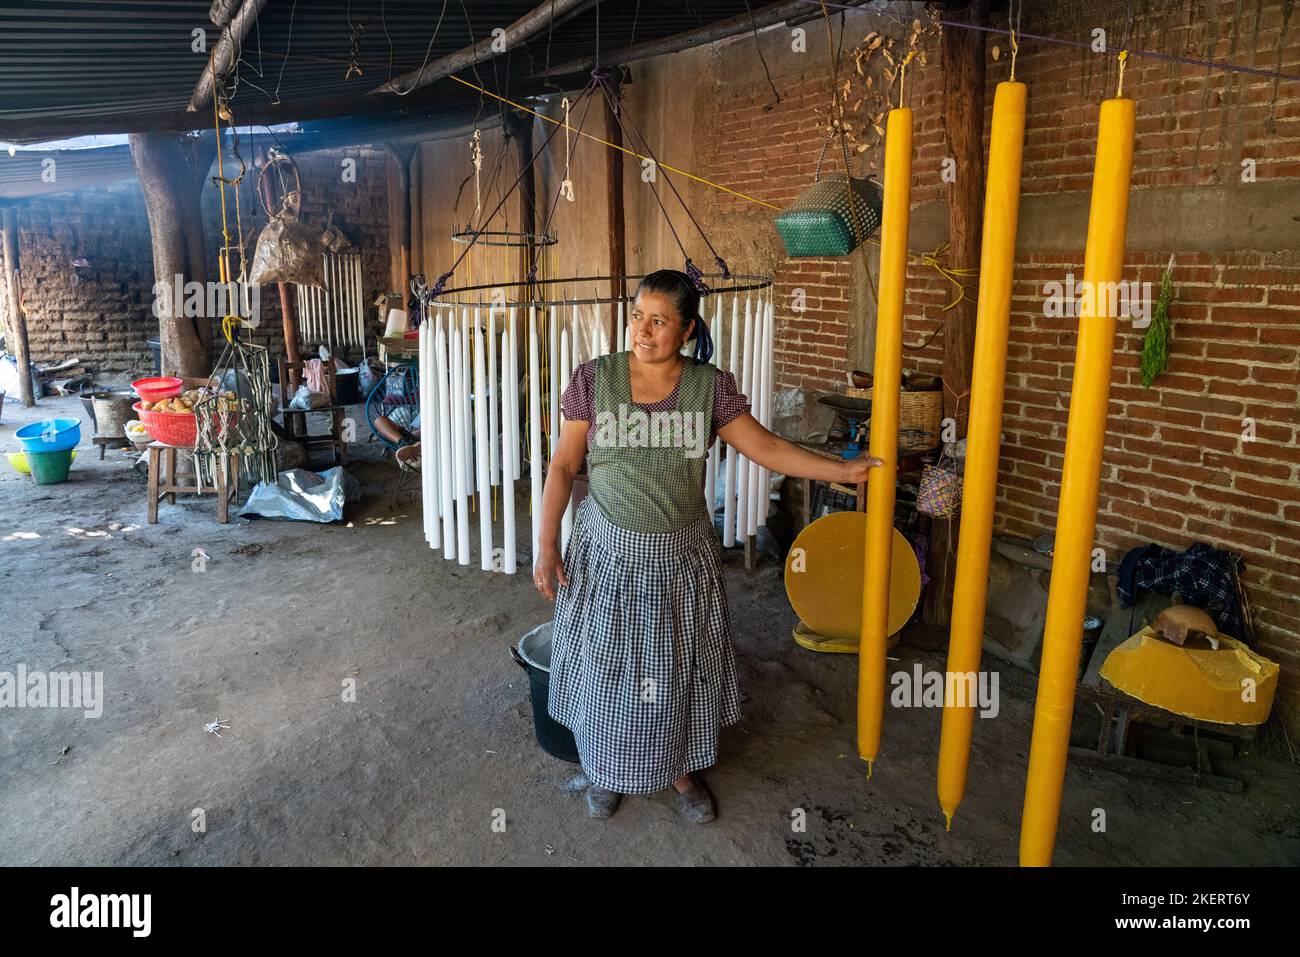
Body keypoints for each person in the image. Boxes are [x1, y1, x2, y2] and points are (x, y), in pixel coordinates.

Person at [534, 269, 882, 823]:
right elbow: (564, 465)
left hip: (679, 558)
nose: (643, 332)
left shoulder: (707, 387)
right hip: (607, 555)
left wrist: (840, 468)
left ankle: (678, 770)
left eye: (659, 321)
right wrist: (547, 543)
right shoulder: (594, 379)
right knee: (606, 669)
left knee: (672, 668)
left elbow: (766, 447)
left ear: (688, 328)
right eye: (637, 317)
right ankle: (603, 767)